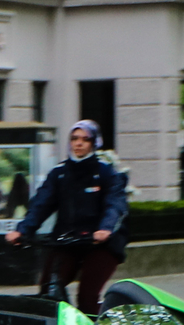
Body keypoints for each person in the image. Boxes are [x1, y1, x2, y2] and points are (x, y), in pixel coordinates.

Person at [8, 119, 128, 311]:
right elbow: (41, 204)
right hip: (68, 240)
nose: (78, 143)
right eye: (74, 139)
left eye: (85, 139)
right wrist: (22, 231)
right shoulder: (60, 173)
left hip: (101, 243)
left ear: (94, 143)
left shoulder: (106, 173)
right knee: (48, 291)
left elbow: (115, 205)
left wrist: (105, 228)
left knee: (87, 298)